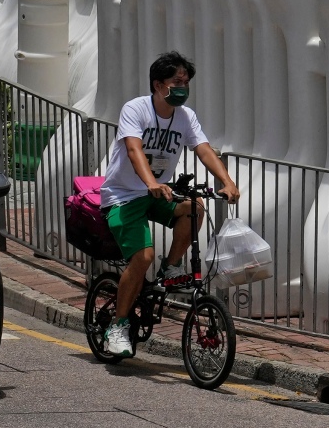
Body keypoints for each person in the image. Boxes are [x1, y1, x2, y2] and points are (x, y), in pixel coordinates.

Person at [97, 50, 239, 359]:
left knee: (195, 206)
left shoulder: (185, 117)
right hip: (124, 196)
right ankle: (118, 325)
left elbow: (203, 149)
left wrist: (226, 181)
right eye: (177, 81)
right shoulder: (136, 109)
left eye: (186, 82)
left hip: (159, 193)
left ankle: (172, 267)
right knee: (143, 255)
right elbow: (134, 150)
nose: (183, 88)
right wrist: (149, 182)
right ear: (158, 84)